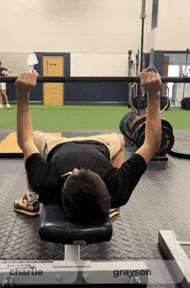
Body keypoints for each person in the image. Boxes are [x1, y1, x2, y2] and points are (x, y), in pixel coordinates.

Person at [14, 70, 162, 224]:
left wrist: (22, 93)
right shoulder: (117, 189)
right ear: (106, 193)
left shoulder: (45, 184)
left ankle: (31, 200)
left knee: (32, 138)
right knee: (120, 140)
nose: (77, 168)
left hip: (57, 145)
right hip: (100, 144)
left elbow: (26, 141)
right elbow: (152, 143)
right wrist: (154, 95)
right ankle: (111, 208)